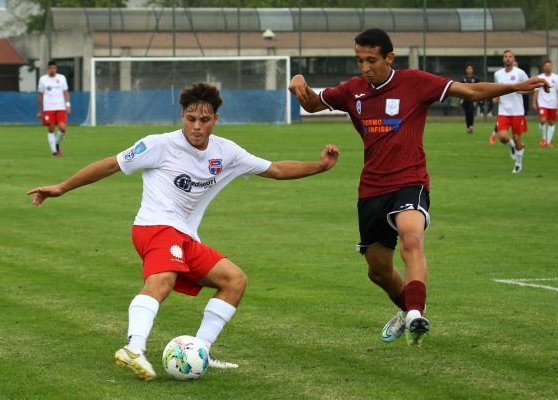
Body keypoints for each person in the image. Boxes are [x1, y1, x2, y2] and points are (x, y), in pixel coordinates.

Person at [27, 82, 340, 381]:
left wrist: (319, 166)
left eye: (204, 120)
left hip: (183, 236)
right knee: (163, 280)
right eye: (191, 119)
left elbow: (275, 169)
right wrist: (63, 187)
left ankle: (200, 350)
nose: (197, 126)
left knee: (234, 281)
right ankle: (134, 348)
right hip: (154, 227)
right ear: (182, 117)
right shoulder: (159, 145)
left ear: (216, 119)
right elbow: (111, 164)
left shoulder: (226, 152)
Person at [288, 29, 548, 347]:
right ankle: (408, 311)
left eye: (371, 60)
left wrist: (515, 87)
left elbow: (471, 91)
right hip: (371, 189)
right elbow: (315, 104)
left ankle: (414, 313)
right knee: (378, 271)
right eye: (359, 60)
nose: (365, 68)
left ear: (389, 58)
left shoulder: (415, 81)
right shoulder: (353, 90)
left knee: (412, 240)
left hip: (410, 181)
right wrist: (299, 82)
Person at [493, 51, 530, 172]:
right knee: (503, 137)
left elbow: (531, 89)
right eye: (506, 57)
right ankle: (513, 146)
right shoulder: (498, 74)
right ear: (503, 59)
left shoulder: (520, 73)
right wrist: (496, 97)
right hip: (503, 111)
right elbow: (496, 89)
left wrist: (521, 91)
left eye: (510, 57)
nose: (508, 59)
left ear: (513, 59)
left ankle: (518, 164)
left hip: (517, 112)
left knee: (517, 138)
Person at [37, 60, 71, 157]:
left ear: (56, 69)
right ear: (47, 69)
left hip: (60, 107)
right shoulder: (43, 79)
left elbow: (66, 93)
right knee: (51, 128)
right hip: (48, 108)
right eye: (50, 68)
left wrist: (68, 105)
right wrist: (39, 111)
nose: (52, 70)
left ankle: (56, 144)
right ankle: (54, 152)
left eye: (54, 68)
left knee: (63, 128)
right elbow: (40, 95)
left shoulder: (61, 78)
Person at [532, 60, 558, 148]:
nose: (547, 67)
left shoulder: (556, 78)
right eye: (546, 66)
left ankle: (548, 142)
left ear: (551, 67)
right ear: (543, 67)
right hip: (542, 103)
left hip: (553, 104)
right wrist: (534, 102)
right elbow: (536, 91)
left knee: (551, 123)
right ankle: (543, 139)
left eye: (549, 66)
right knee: (543, 120)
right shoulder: (540, 78)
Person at [461, 64, 480, 134]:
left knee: (471, 112)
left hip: (473, 99)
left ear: (472, 70)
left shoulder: (476, 79)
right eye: (468, 69)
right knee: (467, 113)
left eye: (470, 69)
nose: (469, 70)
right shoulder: (463, 79)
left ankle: (471, 126)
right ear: (466, 70)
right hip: (465, 99)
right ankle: (468, 127)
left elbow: (479, 88)